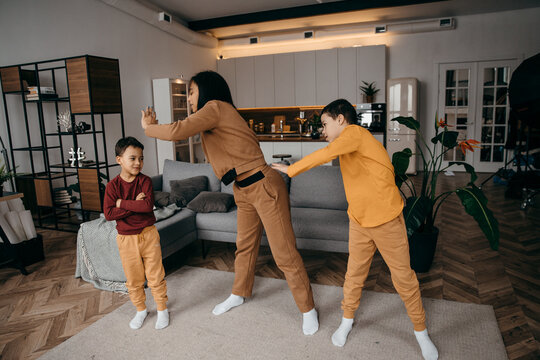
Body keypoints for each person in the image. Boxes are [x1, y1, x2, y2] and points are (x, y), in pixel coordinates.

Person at [141, 71, 318, 335]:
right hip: (242, 188)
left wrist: (148, 128)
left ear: (206, 90)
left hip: (264, 184)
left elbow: (178, 130)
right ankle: (239, 293)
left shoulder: (215, 107)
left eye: (191, 91)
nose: (188, 98)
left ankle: (308, 309)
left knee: (284, 253)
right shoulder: (214, 114)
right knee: (244, 247)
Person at [272, 99, 438, 359]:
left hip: (386, 220)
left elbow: (325, 154)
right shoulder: (350, 144)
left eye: (325, 124)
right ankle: (347, 320)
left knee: (404, 279)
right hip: (359, 221)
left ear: (341, 119)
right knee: (354, 275)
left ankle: (421, 331)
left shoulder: (355, 134)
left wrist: (291, 169)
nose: (323, 131)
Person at [103, 136, 169, 330]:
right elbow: (108, 214)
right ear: (119, 160)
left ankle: (162, 309)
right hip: (126, 238)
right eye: (132, 158)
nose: (138, 163)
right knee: (134, 278)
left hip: (148, 234)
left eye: (141, 158)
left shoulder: (145, 181)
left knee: (156, 274)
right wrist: (135, 205)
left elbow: (148, 206)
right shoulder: (112, 186)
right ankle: (141, 310)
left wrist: (121, 203)